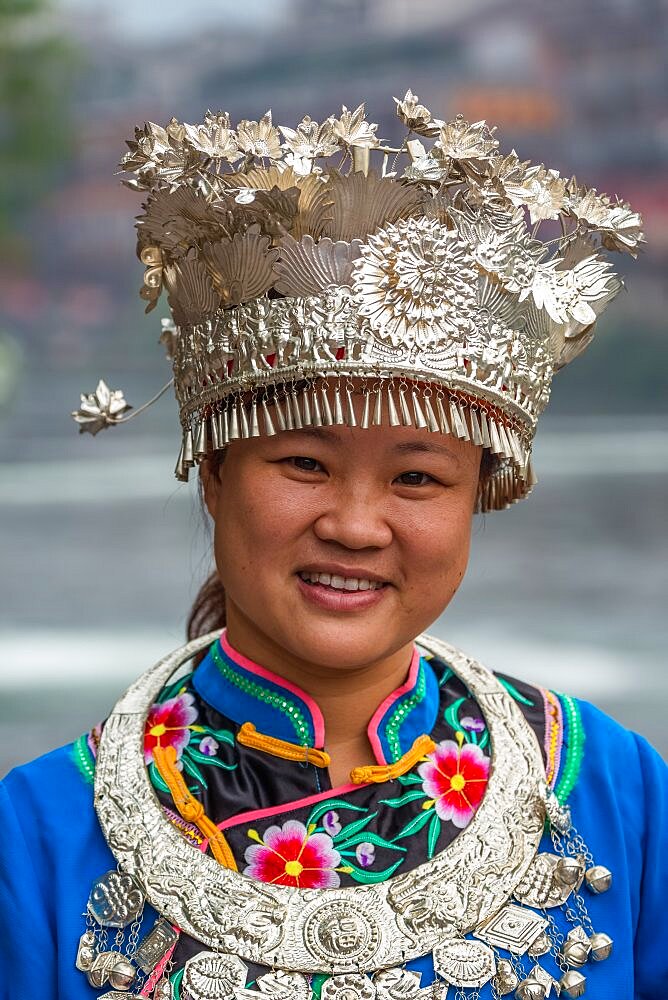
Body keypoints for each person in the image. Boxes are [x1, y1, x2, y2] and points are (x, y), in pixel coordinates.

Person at [0, 93, 665, 1000]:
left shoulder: (614, 788)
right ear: (214, 474)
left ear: (481, 498)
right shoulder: (37, 832)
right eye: (305, 463)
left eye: (417, 478)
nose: (356, 525)